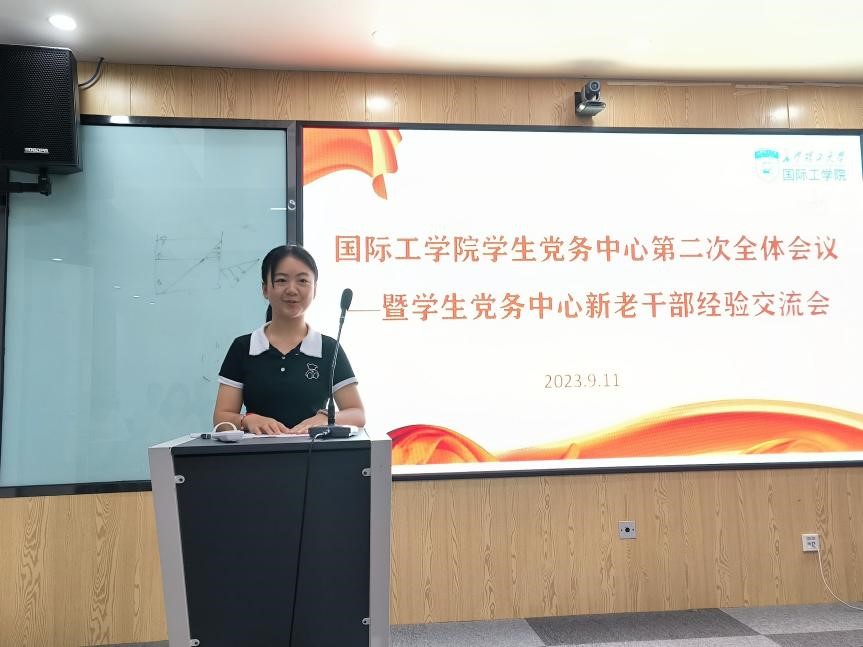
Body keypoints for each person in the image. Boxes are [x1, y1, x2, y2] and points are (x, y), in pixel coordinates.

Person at [213, 244, 365, 435]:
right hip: (255, 452)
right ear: (265, 289)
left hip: (314, 451)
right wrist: (247, 420)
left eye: (302, 280)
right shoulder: (243, 347)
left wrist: (325, 418)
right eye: (281, 280)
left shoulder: (328, 348)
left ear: (315, 289)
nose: (292, 289)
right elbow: (221, 417)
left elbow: (357, 414)